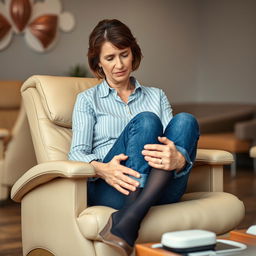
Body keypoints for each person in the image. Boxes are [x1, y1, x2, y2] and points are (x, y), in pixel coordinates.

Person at [68, 19, 200, 256]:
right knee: (147, 120)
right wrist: (103, 169)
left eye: (124, 54)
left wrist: (180, 160)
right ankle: (131, 213)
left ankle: (128, 217)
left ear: (133, 54)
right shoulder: (87, 100)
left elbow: (177, 140)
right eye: (110, 58)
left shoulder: (157, 95)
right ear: (98, 62)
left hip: (162, 186)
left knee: (187, 121)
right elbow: (76, 153)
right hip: (115, 185)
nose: (119, 64)